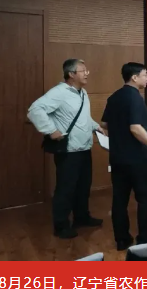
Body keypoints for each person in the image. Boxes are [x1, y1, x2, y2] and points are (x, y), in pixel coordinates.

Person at [28, 59, 104, 239]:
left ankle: (82, 217)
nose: (87, 74)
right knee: (66, 189)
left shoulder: (82, 92)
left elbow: (82, 117)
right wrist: (51, 130)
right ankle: (61, 226)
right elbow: (34, 110)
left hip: (84, 148)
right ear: (71, 74)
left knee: (83, 186)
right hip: (69, 151)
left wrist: (96, 126)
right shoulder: (59, 93)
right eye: (83, 70)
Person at [101, 63, 147, 250]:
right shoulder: (135, 97)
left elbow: (104, 124)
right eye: (145, 75)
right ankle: (145, 239)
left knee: (119, 199)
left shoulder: (114, 97)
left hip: (117, 158)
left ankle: (122, 239)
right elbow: (136, 128)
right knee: (145, 199)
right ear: (135, 77)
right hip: (137, 159)